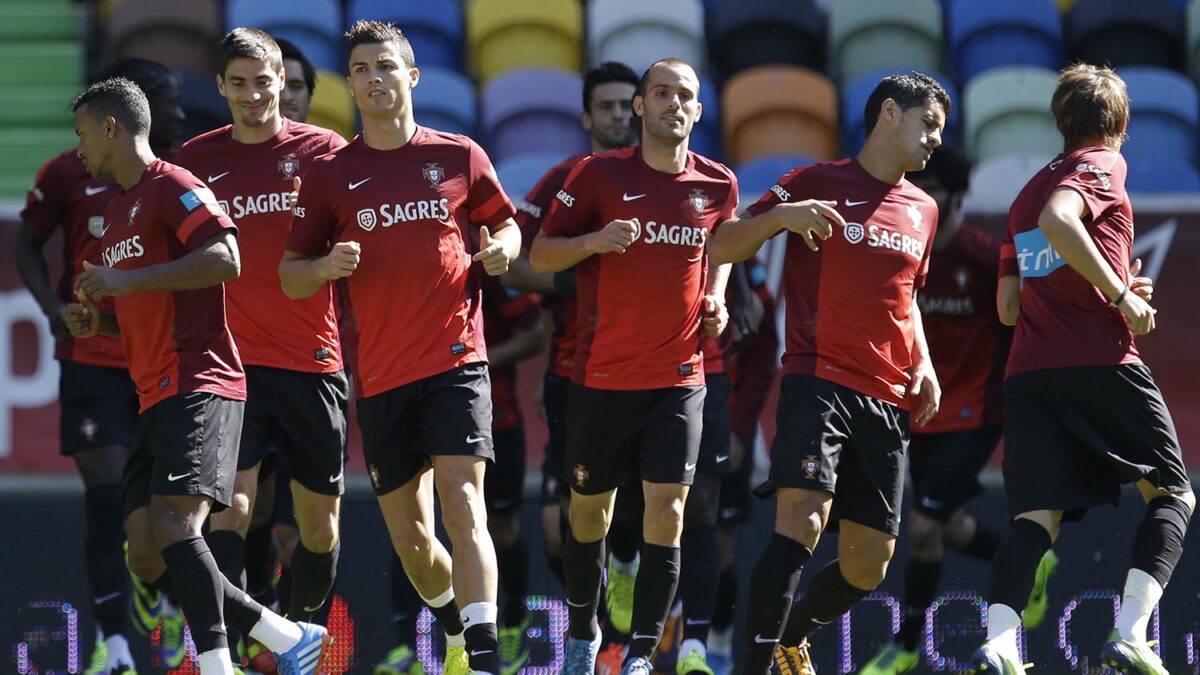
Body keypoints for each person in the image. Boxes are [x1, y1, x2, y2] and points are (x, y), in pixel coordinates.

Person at [63, 76, 333, 675]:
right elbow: (143, 307)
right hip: (153, 389)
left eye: (83, 134)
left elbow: (226, 258)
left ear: (112, 128)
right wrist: (98, 324)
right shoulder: (115, 209)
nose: (78, 148)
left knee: (176, 525)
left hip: (200, 380)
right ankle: (285, 635)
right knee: (147, 547)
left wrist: (123, 282)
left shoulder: (175, 184)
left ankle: (217, 664)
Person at [281, 20, 521, 675]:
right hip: (382, 377)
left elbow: (506, 222)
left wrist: (503, 248)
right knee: (414, 542)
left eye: (385, 66)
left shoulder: (460, 155)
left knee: (462, 500)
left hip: (455, 361)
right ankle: (451, 625)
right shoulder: (331, 174)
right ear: (352, 83)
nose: (373, 78)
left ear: (412, 76)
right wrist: (327, 264)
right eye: (360, 69)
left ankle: (482, 652)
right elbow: (289, 274)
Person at [707, 71, 950, 674]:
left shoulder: (924, 209)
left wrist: (925, 364)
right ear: (889, 113)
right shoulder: (812, 182)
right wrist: (779, 220)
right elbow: (722, 244)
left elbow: (908, 298)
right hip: (819, 381)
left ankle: (789, 635)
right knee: (803, 521)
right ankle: (757, 667)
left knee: (870, 563)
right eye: (929, 125)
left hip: (889, 394)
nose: (936, 141)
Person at [970, 63, 1194, 675]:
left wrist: (1110, 280)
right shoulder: (1101, 165)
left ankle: (997, 645)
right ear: (1119, 125)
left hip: (1029, 374)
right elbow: (1060, 222)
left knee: (1034, 523)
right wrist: (1121, 298)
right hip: (1099, 359)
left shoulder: (1023, 193)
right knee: (1173, 494)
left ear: (1059, 121)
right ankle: (1130, 633)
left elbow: (1009, 307)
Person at [530, 57, 737, 675]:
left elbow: (723, 244)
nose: (675, 104)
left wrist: (718, 294)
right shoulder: (595, 176)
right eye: (662, 93)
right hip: (599, 380)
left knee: (669, 514)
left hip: (679, 380)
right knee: (588, 514)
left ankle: (645, 653)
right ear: (641, 107)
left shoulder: (718, 183)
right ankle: (583, 634)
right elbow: (540, 254)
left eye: (686, 96)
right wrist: (593, 242)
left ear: (699, 111)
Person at [174, 28, 350, 668]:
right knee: (231, 514)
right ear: (220, 87)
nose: (253, 94)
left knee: (319, 529)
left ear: (287, 82)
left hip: (313, 363)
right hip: (230, 369)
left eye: (264, 79)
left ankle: (301, 636)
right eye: (239, 82)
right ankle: (244, 651)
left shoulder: (326, 154)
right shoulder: (193, 161)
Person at [15, 57, 186, 674]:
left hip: (162, 360)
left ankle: (162, 587)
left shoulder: (180, 174)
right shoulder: (69, 171)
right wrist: (54, 309)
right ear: (134, 106)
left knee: (168, 508)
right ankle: (112, 646)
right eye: (170, 98)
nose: (181, 112)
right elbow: (26, 244)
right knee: (107, 495)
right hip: (92, 359)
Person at [858, 146, 1057, 674]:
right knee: (943, 528)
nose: (925, 197)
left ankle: (903, 647)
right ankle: (1027, 560)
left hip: (974, 414)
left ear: (957, 196)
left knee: (922, 527)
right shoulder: (899, 259)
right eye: (916, 187)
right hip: (912, 414)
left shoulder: (983, 258)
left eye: (936, 189)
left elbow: (1025, 327)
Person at [502, 60, 642, 673]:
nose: (617, 114)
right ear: (587, 117)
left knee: (644, 514)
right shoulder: (565, 181)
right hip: (574, 373)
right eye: (606, 106)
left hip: (654, 374)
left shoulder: (678, 180)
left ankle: (625, 641)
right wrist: (586, 286)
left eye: (625, 104)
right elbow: (514, 263)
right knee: (567, 530)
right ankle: (595, 630)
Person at [377, 273, 543, 675]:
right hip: (405, 402)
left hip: (487, 410)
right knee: (414, 530)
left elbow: (537, 332)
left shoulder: (479, 260)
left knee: (493, 524)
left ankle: (510, 625)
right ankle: (410, 648)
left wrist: (481, 355)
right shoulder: (382, 251)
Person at [691, 255, 779, 675]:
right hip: (660, 417)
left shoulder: (744, 261)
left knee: (718, 540)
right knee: (655, 531)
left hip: (721, 422)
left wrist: (741, 429)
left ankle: (719, 645)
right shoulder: (655, 244)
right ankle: (650, 646)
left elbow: (762, 351)